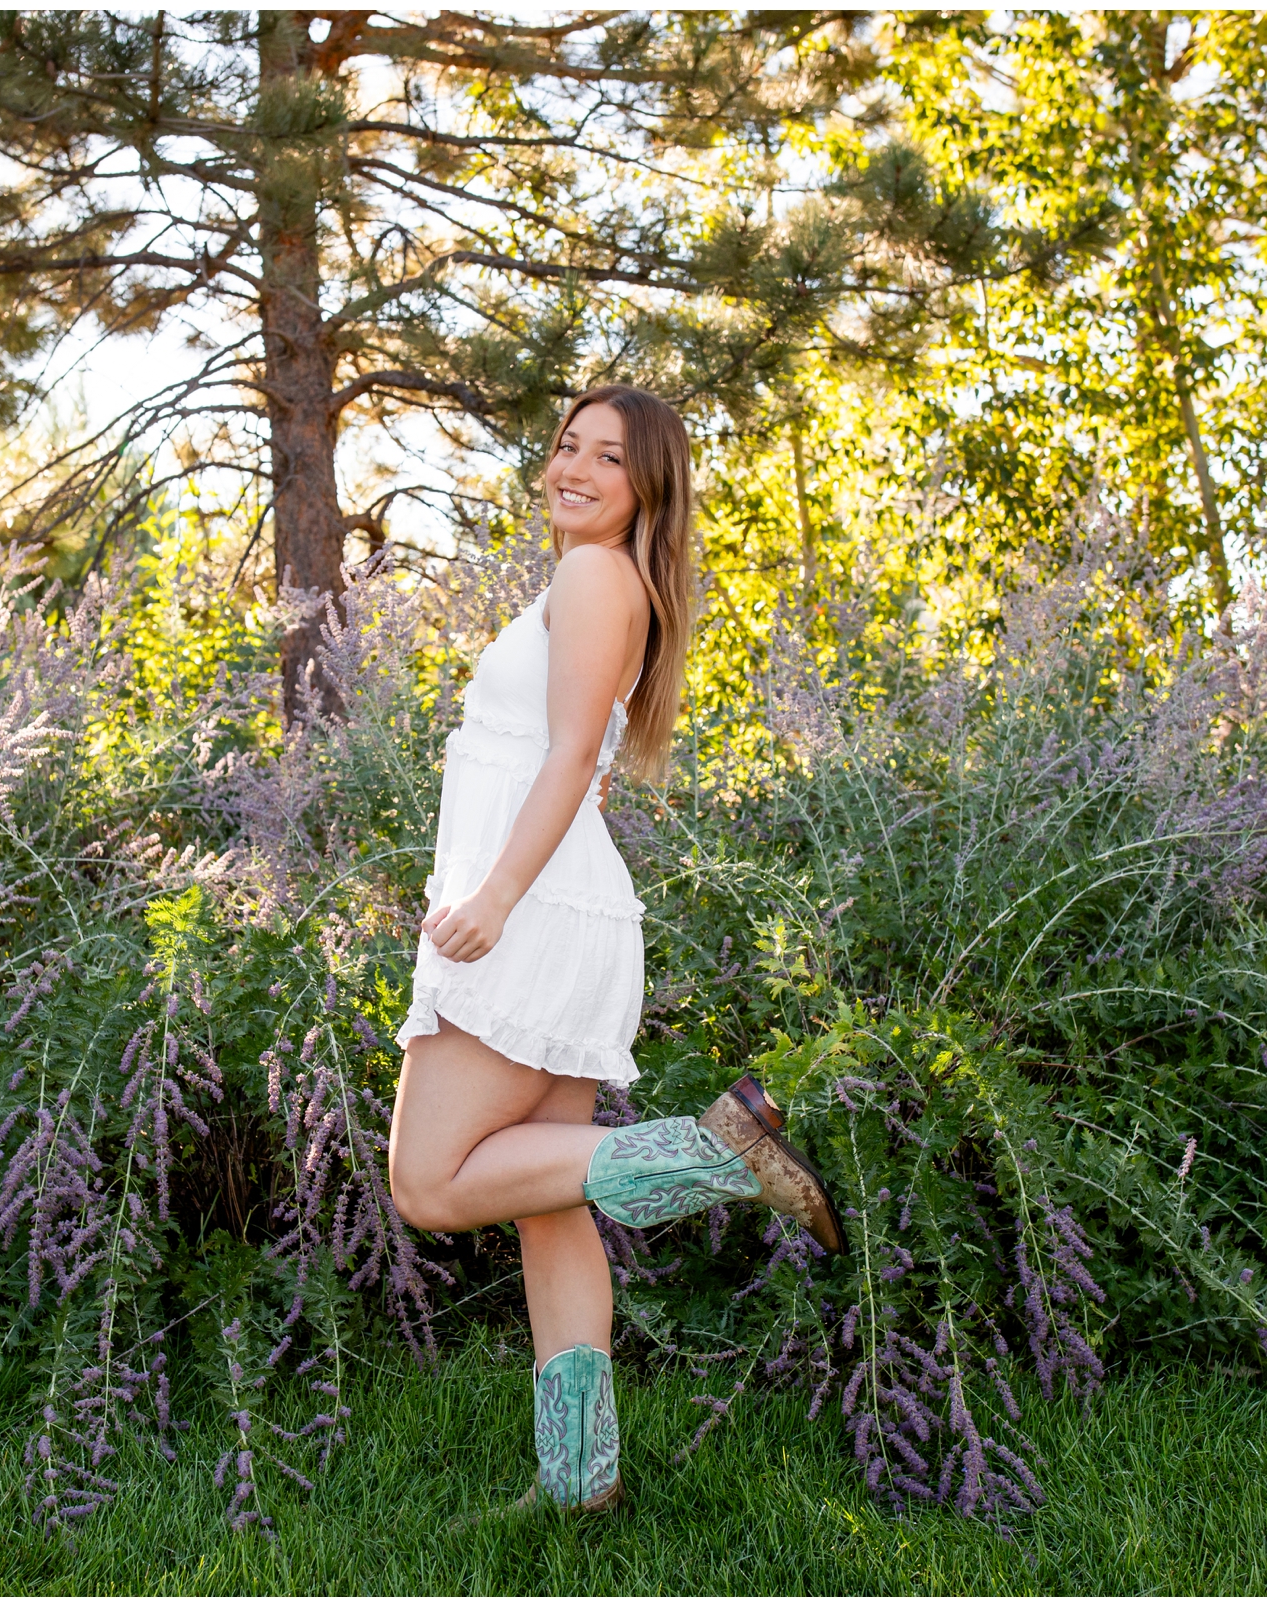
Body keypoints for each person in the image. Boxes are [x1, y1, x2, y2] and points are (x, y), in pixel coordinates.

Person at [387, 384, 845, 1515]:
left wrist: (491, 899)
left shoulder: (595, 575)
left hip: (532, 911)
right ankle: (580, 1486)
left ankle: (709, 1152)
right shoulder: (603, 578)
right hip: (565, 907)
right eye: (564, 446)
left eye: (608, 456)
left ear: (648, 485)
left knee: (427, 1181)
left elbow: (564, 760)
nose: (573, 469)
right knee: (548, 1206)